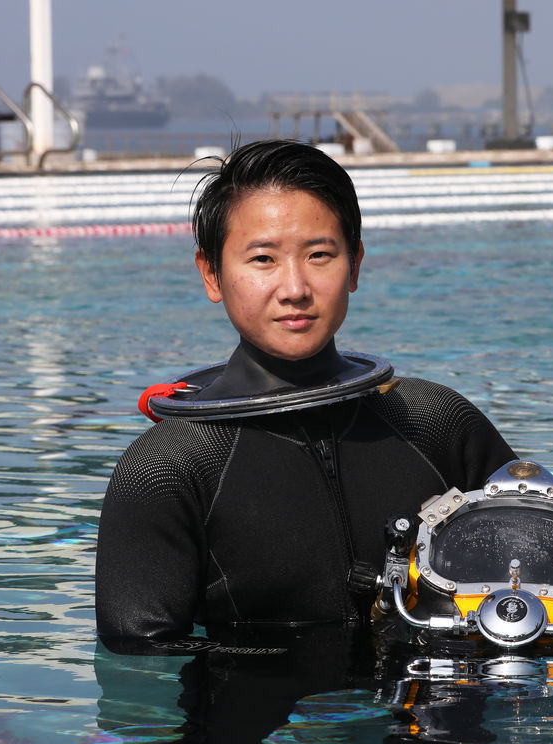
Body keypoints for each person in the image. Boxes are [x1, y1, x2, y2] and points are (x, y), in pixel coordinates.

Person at [96, 140, 516, 646]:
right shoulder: (168, 469)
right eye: (263, 259)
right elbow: (141, 679)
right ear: (211, 273)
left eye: (319, 255)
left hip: (434, 719)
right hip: (261, 724)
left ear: (355, 265)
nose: (294, 287)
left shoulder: (435, 423)